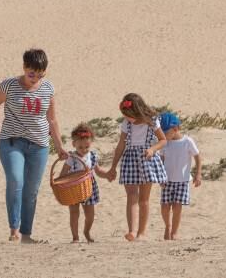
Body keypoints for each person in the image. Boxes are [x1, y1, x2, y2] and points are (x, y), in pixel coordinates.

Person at [0, 48, 68, 243]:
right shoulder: (9, 85)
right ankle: (13, 230)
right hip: (12, 142)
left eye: (40, 74)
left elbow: (52, 120)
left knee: (31, 190)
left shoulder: (48, 88)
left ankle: (26, 235)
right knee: (16, 180)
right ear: (24, 67)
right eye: (31, 73)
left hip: (39, 145)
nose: (35, 78)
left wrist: (59, 146)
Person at [105, 93, 167, 241]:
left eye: (129, 115)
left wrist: (152, 149)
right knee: (131, 196)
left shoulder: (152, 121)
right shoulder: (126, 123)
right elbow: (121, 144)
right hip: (130, 160)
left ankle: (142, 232)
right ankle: (132, 231)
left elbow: (163, 140)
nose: (127, 118)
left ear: (137, 111)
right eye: (125, 115)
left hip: (147, 160)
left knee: (144, 200)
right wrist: (113, 166)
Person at [58, 123, 109, 243]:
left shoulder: (92, 156)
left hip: (88, 187)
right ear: (74, 144)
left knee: (90, 215)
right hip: (73, 187)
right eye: (80, 147)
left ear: (90, 143)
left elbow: (98, 171)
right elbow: (63, 172)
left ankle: (86, 231)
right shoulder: (72, 157)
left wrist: (107, 175)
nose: (84, 150)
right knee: (74, 213)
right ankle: (75, 237)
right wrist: (61, 183)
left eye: (87, 147)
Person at [158, 112, 202, 240]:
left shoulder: (187, 141)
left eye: (166, 132)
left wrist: (198, 174)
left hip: (182, 181)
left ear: (175, 129)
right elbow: (161, 159)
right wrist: (160, 176)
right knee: (165, 207)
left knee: (177, 207)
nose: (163, 135)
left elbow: (198, 157)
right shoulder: (165, 143)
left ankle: (175, 232)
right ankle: (168, 226)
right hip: (167, 180)